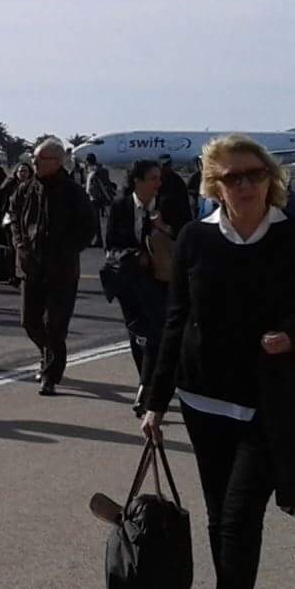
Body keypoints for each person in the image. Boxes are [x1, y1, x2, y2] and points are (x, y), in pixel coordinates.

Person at [142, 134, 295, 589]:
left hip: (268, 403)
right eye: (233, 177)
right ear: (215, 185)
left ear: (271, 179)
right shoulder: (194, 239)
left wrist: (294, 336)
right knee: (219, 520)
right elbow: (175, 320)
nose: (246, 184)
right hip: (202, 400)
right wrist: (155, 399)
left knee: (238, 520)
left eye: (255, 174)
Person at [8, 138, 94, 396]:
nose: (34, 163)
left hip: (62, 269)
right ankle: (49, 354)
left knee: (55, 325)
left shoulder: (74, 193)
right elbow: (14, 216)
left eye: (40, 159)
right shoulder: (25, 190)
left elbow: (88, 228)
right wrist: (20, 244)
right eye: (33, 158)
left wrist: (66, 249)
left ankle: (50, 375)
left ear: (57, 162)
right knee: (29, 321)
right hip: (31, 266)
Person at [104, 159, 170, 411]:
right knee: (137, 333)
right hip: (129, 278)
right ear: (137, 181)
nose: (158, 184)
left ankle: (146, 387)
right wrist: (133, 255)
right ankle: (146, 380)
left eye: (159, 178)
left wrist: (163, 228)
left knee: (155, 332)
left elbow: (185, 237)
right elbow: (110, 245)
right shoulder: (120, 205)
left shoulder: (167, 204)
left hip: (160, 279)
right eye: (153, 178)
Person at [156, 155, 193, 233]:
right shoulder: (157, 180)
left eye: (166, 165)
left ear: (170, 165)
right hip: (160, 223)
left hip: (176, 223)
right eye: (162, 165)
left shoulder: (178, 182)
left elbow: (184, 205)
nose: (163, 168)